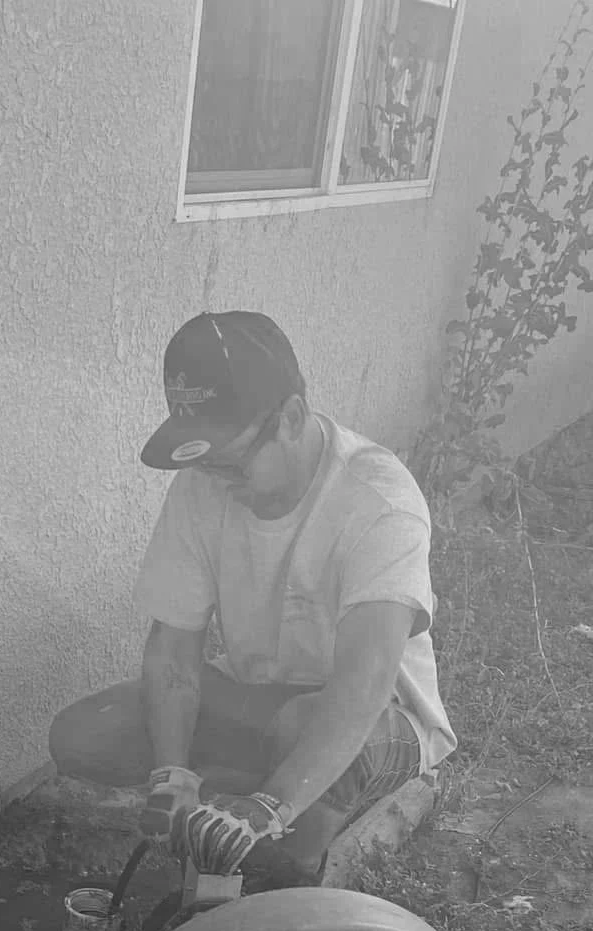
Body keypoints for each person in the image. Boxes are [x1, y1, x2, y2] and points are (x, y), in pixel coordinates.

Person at [46, 310, 455, 881]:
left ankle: (294, 872)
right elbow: (173, 650)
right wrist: (172, 774)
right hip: (253, 692)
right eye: (204, 461)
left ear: (289, 418)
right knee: (88, 735)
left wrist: (271, 806)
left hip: (380, 716)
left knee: (300, 745)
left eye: (230, 461)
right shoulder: (203, 486)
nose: (216, 480)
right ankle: (242, 797)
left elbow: (365, 682)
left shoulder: (377, 503)